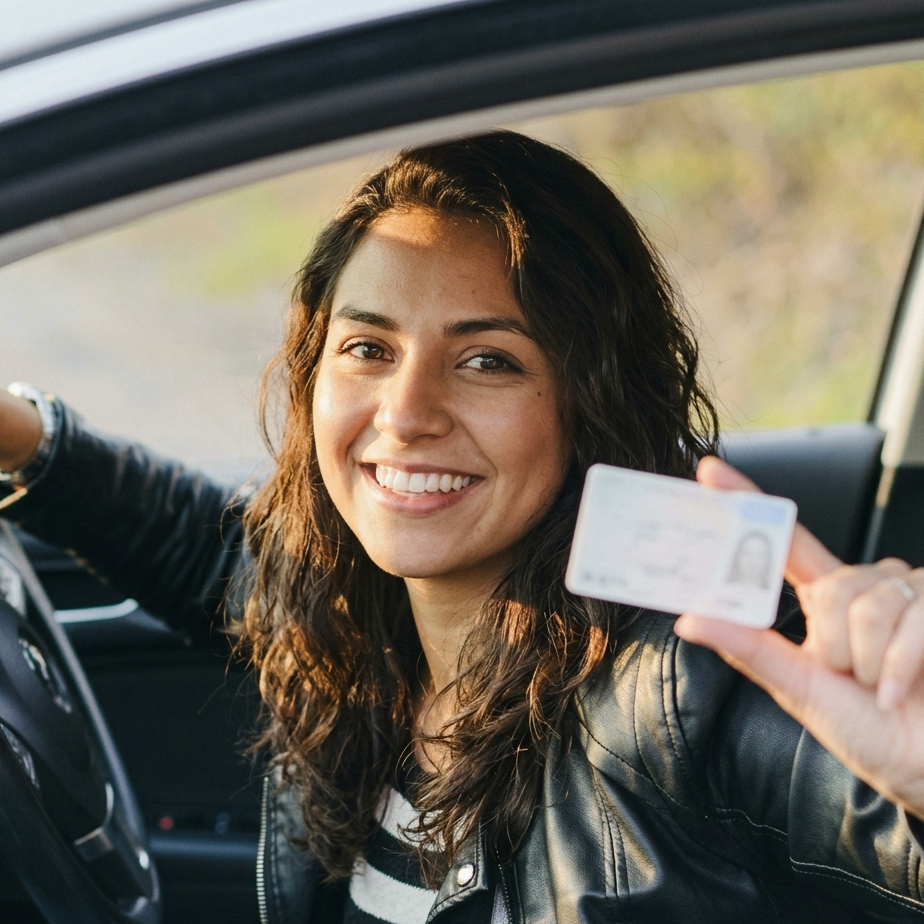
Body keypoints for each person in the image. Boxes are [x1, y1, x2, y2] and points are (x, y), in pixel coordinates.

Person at [3, 131, 924, 923]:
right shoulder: (351, 623)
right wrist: (20, 432)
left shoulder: (684, 690)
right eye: (368, 348)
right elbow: (190, 542)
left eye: (487, 359)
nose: (407, 413)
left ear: (587, 403)